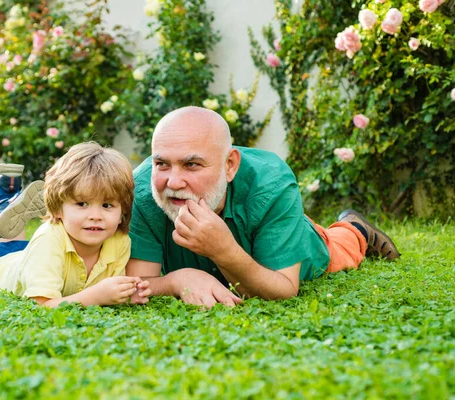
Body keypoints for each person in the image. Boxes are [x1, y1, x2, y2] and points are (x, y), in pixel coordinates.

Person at [125, 106, 400, 308]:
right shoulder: (143, 189)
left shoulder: (271, 184)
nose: (173, 181)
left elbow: (284, 288)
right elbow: (139, 283)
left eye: (192, 164)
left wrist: (223, 249)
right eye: (162, 163)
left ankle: (355, 228)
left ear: (230, 165)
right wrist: (179, 279)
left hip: (305, 244)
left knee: (335, 247)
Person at [0, 142, 151, 307]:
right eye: (82, 204)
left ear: (122, 211)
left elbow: (108, 293)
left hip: (28, 254)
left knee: (24, 244)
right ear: (56, 209)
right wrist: (96, 297)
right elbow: (40, 304)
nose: (95, 216)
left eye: (107, 205)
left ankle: (8, 197)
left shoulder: (119, 241)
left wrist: (125, 295)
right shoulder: (48, 240)